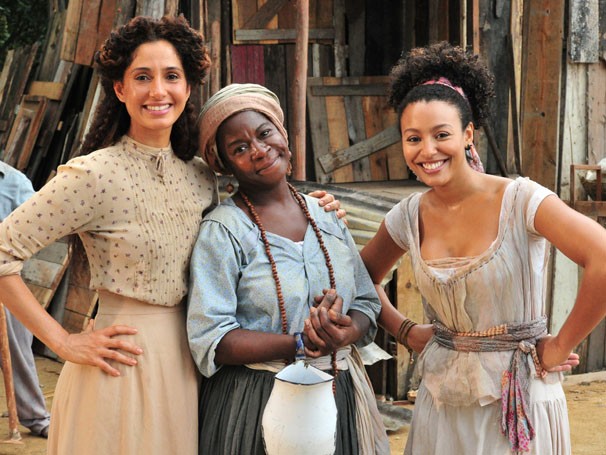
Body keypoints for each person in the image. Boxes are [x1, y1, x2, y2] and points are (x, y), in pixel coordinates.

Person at [0, 16, 341, 454]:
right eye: (142, 77)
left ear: (188, 87)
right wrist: (62, 341)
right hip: (121, 368)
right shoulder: (92, 174)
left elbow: (249, 224)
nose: (158, 91)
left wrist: (313, 207)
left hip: (190, 365)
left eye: (171, 76)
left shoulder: (201, 175)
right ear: (120, 89)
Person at [359, 41, 604, 454]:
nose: (427, 151)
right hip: (441, 403)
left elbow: (602, 257)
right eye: (412, 138)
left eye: (441, 135)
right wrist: (405, 330)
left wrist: (562, 344)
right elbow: (361, 276)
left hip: (517, 398)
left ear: (468, 134)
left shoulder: (522, 201)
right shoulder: (407, 216)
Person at [189, 83, 389, 454]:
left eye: (264, 134)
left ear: (282, 133)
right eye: (240, 148)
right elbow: (212, 337)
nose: (259, 151)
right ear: (224, 164)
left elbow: (365, 300)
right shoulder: (224, 231)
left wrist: (345, 333)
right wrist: (298, 344)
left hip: (339, 392)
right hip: (256, 401)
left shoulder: (327, 216)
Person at [0, 160, 50, 438]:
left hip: (3, 283)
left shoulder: (14, 182)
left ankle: (35, 416)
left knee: (17, 328)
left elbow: (38, 234)